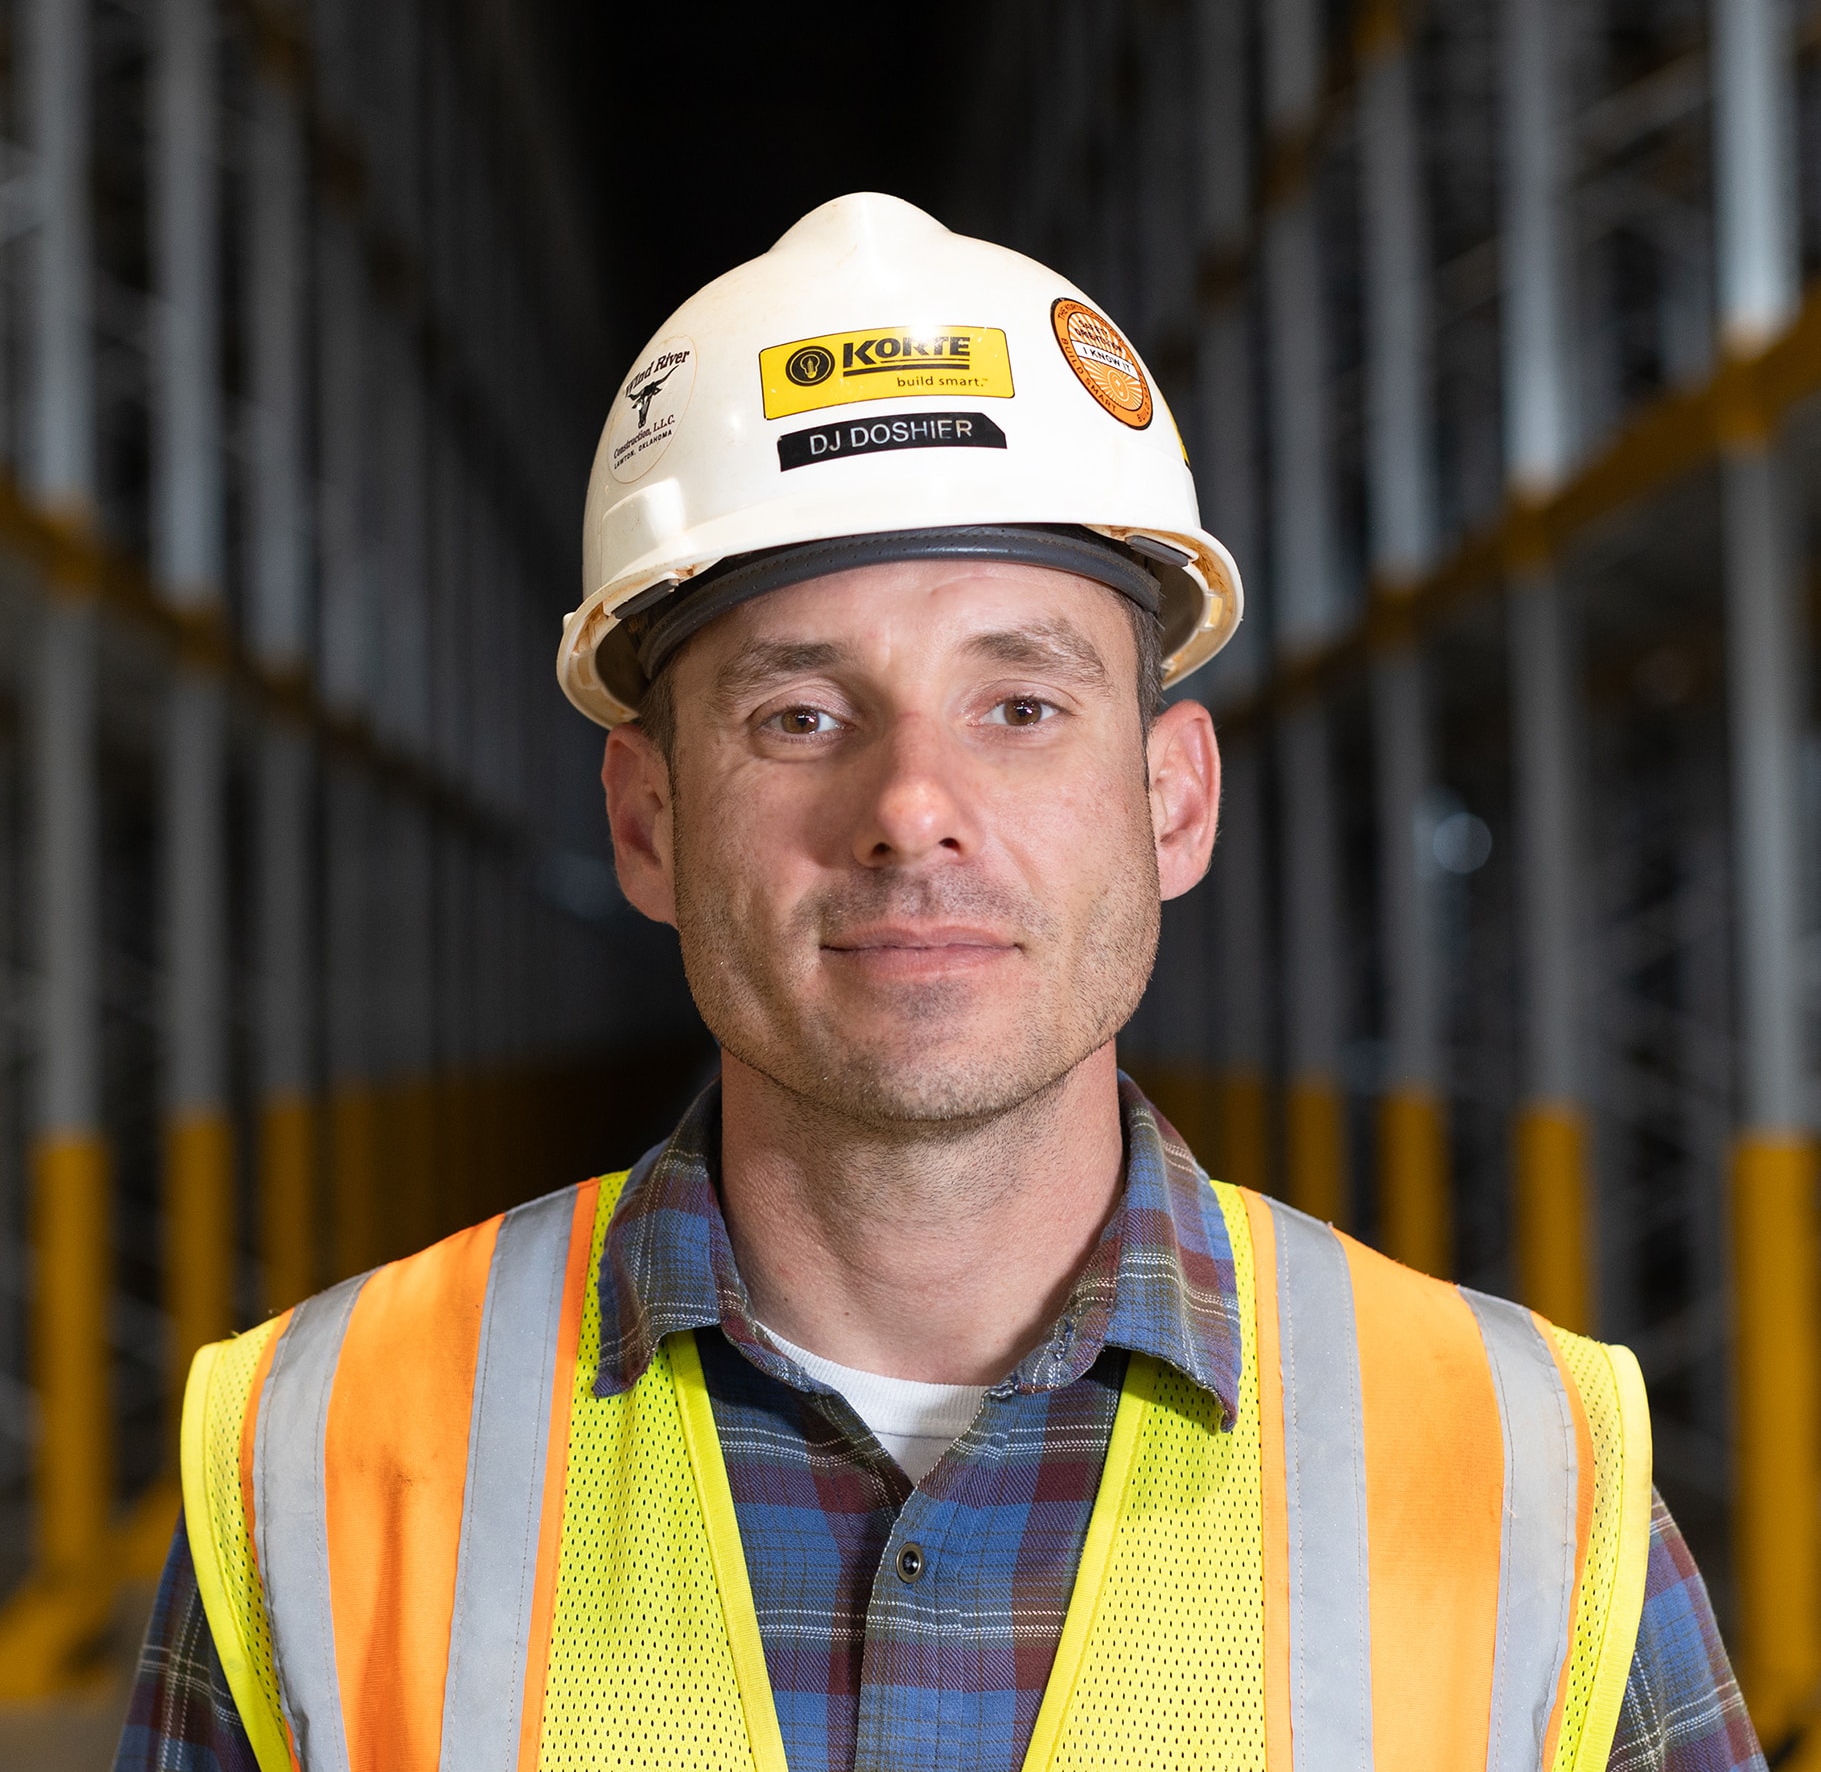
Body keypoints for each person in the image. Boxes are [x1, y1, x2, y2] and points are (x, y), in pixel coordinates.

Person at [118, 194, 1761, 1772]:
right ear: (647, 821)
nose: (911, 808)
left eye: (1020, 708)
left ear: (1172, 800)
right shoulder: (320, 1456)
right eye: (799, 717)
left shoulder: (1526, 1474)